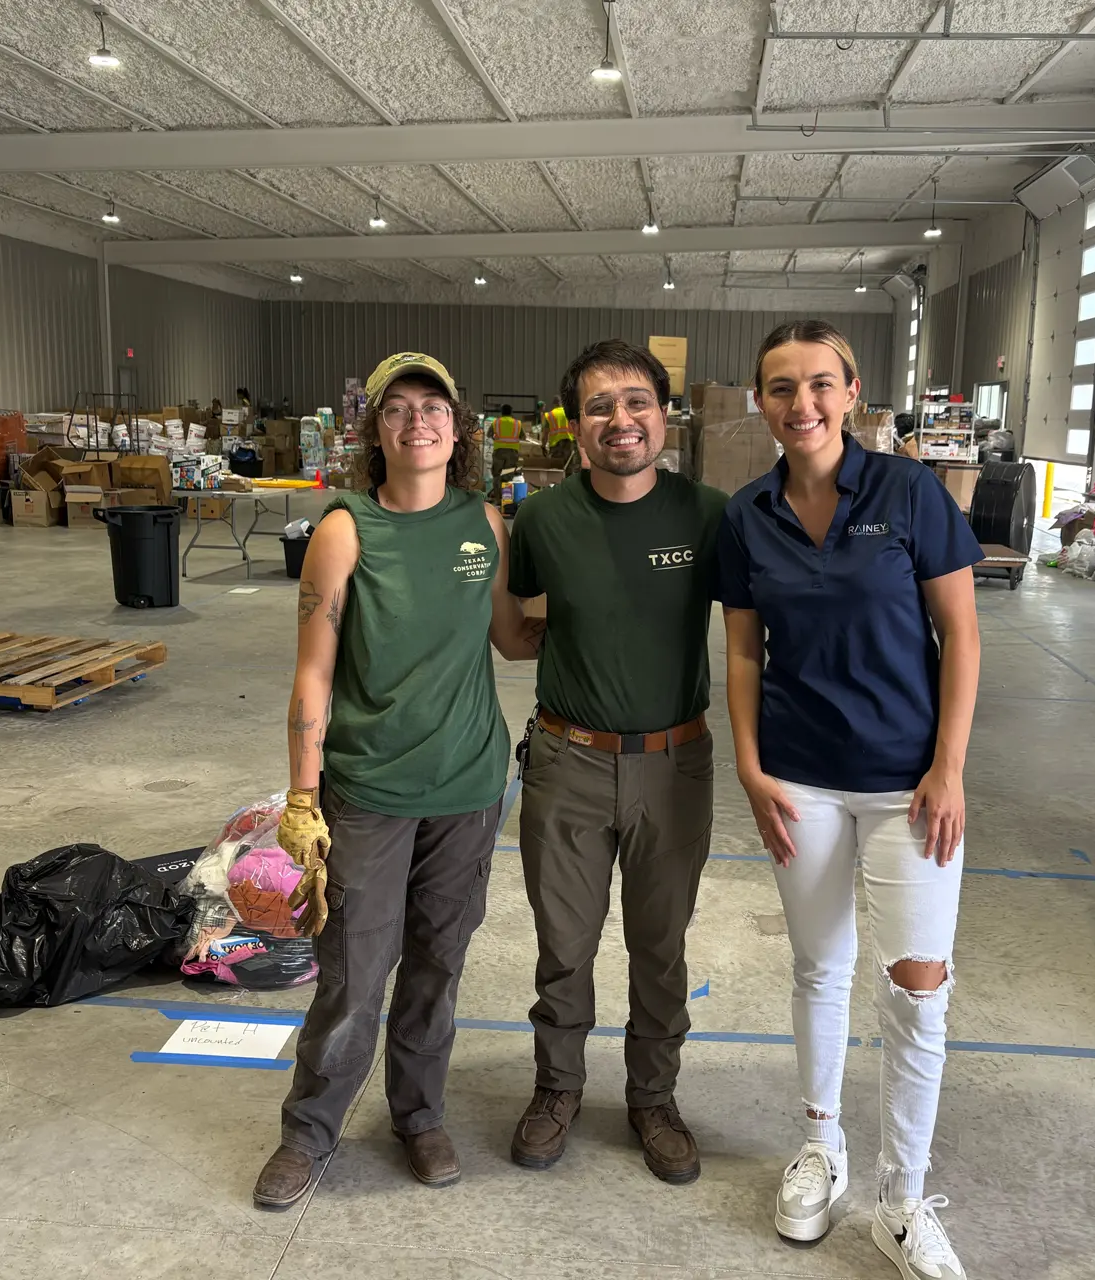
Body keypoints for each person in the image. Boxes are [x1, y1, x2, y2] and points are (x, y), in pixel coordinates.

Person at [716, 320, 981, 1279]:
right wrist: (750, 766)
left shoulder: (909, 493)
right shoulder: (747, 515)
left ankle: (902, 1198)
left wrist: (948, 767)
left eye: (820, 384)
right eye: (782, 387)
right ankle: (822, 1147)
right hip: (800, 780)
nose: (804, 404)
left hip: (909, 784)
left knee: (918, 986)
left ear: (854, 392)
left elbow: (962, 635)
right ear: (761, 401)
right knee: (820, 966)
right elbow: (743, 651)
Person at [252, 352, 543, 1210]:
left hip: (469, 788)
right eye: (399, 409)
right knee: (353, 971)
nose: (418, 421)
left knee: (437, 967)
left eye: (434, 407)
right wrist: (302, 796)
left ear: (458, 429)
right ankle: (309, 1130)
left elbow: (511, 638)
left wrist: (606, 610)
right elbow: (314, 671)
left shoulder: (484, 523)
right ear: (376, 431)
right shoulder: (346, 529)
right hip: (370, 792)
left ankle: (418, 1116)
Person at [506, 339, 727, 1184]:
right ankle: (557, 1087)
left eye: (637, 401)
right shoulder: (543, 519)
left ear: (664, 415)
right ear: (575, 424)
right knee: (563, 945)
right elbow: (519, 626)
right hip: (569, 762)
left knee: (659, 947)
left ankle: (653, 1097)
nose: (620, 420)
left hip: (675, 765)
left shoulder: (708, 516)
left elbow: (756, 630)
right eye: (598, 406)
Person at [491, 402, 522, 502]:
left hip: (499, 452)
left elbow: (489, 434)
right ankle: (506, 500)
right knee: (508, 475)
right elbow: (523, 437)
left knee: (497, 475)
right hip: (512, 453)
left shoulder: (496, 422)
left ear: (501, 412)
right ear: (511, 412)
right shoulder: (517, 423)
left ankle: (498, 500)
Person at [541, 396, 576, 471]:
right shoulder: (568, 413)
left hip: (555, 446)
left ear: (554, 404)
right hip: (568, 444)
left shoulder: (549, 415)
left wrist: (543, 446)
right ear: (562, 403)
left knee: (556, 468)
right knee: (569, 467)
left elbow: (545, 434)